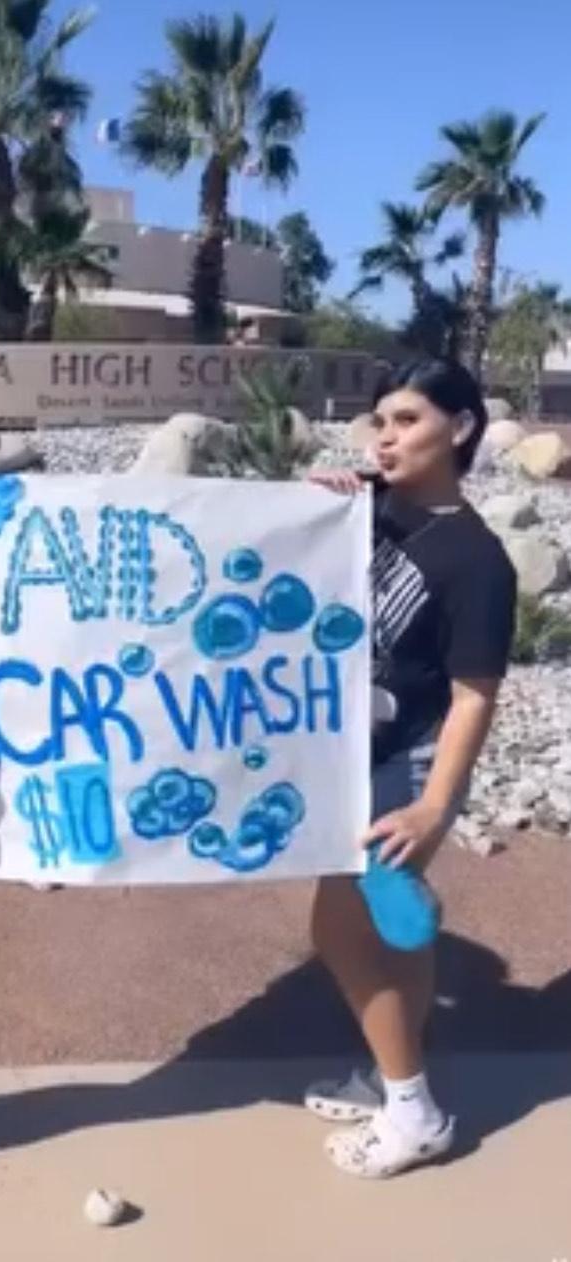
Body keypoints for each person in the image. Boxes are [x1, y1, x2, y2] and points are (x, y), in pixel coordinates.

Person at [304, 359, 517, 1178]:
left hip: (414, 763)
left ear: (459, 428)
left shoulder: (478, 562)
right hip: (361, 755)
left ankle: (413, 1111)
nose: (385, 439)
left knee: (340, 929)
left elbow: (473, 697)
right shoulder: (374, 508)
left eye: (407, 421)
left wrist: (433, 806)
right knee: (392, 935)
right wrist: (318, 502)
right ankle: (387, 1068)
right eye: (380, 422)